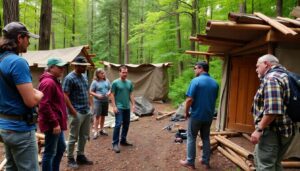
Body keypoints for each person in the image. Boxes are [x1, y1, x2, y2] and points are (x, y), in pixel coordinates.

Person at [0, 22, 44, 170]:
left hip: (5, 127)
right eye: (27, 38)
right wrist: (40, 93)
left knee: (11, 168)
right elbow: (31, 101)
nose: (29, 42)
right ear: (20, 38)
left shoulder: (1, 60)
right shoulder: (17, 62)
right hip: (20, 130)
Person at [251, 54, 294, 171]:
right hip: (287, 130)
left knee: (265, 166)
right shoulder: (287, 75)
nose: (256, 69)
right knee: (276, 163)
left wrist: (259, 130)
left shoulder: (271, 79)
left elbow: (273, 110)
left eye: (257, 66)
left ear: (266, 64)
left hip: (272, 132)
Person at [180, 61, 219, 170]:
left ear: (201, 68)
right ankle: (205, 162)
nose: (194, 70)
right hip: (209, 116)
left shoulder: (195, 81)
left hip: (196, 115)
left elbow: (189, 100)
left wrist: (186, 112)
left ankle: (190, 162)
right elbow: (213, 99)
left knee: (191, 137)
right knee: (206, 137)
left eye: (195, 68)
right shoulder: (215, 83)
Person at [63, 56, 93, 169]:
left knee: (84, 136)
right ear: (76, 66)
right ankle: (70, 158)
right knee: (73, 136)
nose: (85, 68)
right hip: (76, 112)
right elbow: (65, 95)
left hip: (86, 110)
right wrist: (72, 110)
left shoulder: (84, 76)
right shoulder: (69, 78)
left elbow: (87, 91)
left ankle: (80, 156)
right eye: (83, 66)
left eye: (85, 66)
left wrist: (90, 105)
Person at [38, 57, 68, 171]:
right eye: (59, 67)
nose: (62, 69)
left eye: (63, 67)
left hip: (56, 122)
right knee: (50, 153)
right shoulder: (48, 82)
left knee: (61, 147)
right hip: (51, 123)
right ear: (50, 68)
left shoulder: (54, 80)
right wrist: (55, 123)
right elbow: (44, 105)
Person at [111, 65, 135, 153]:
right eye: (123, 72)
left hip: (127, 107)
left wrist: (133, 104)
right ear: (119, 72)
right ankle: (115, 144)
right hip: (119, 107)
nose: (125, 74)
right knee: (118, 124)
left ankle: (123, 140)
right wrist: (114, 106)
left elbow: (131, 94)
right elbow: (112, 94)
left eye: (126, 72)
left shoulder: (129, 83)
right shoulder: (115, 83)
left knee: (126, 124)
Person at [89, 68, 111, 139]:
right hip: (98, 101)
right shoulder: (95, 82)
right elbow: (91, 91)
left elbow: (110, 88)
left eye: (103, 73)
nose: (103, 74)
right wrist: (97, 95)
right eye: (101, 73)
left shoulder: (107, 80)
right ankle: (96, 131)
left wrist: (108, 92)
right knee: (97, 116)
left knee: (103, 115)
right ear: (98, 74)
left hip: (105, 100)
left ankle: (101, 129)